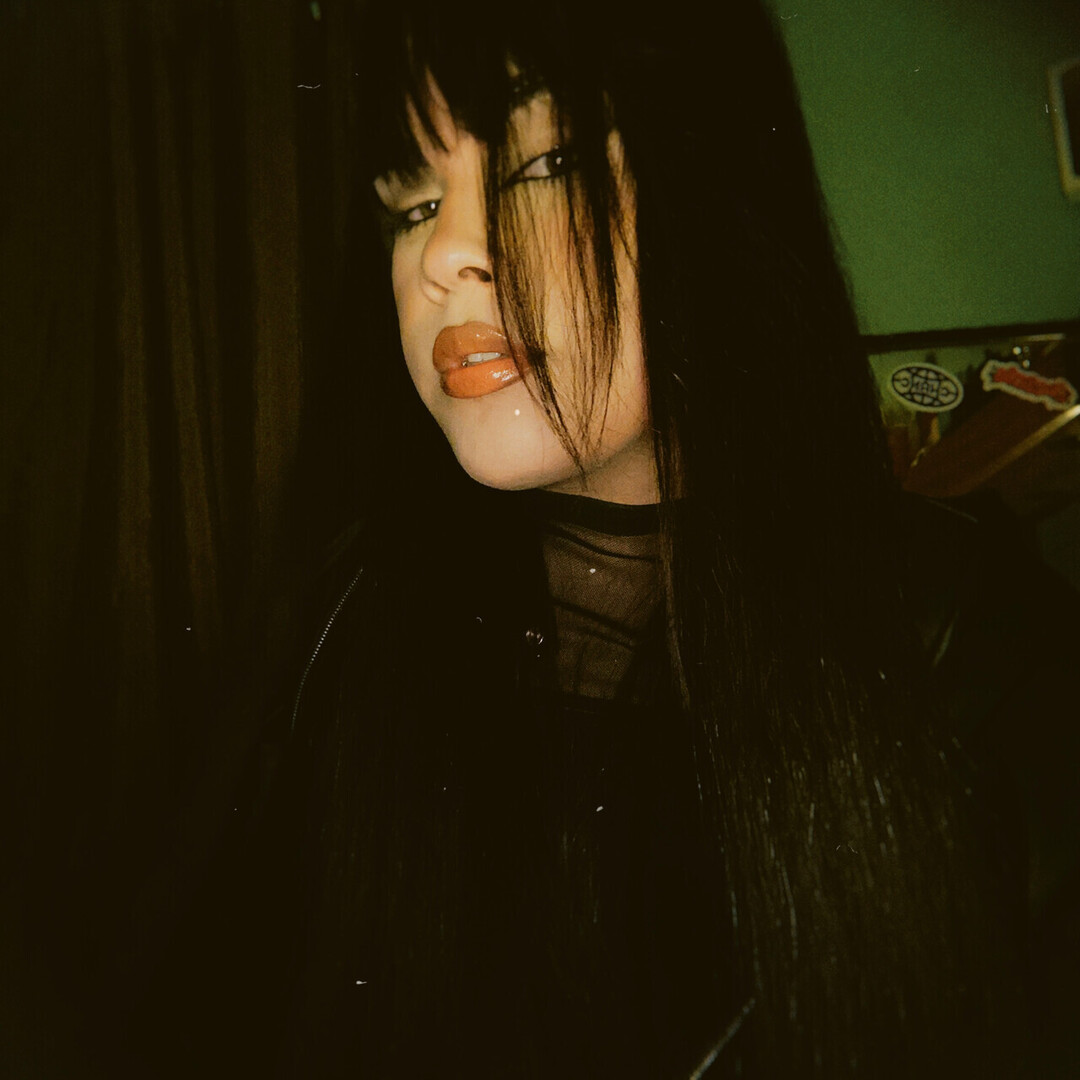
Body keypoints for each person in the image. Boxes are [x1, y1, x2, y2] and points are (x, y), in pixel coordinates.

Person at [128, 0, 1059, 1076]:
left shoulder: (978, 654)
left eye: (547, 165)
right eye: (411, 205)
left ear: (718, 190)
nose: (444, 256)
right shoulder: (346, 623)